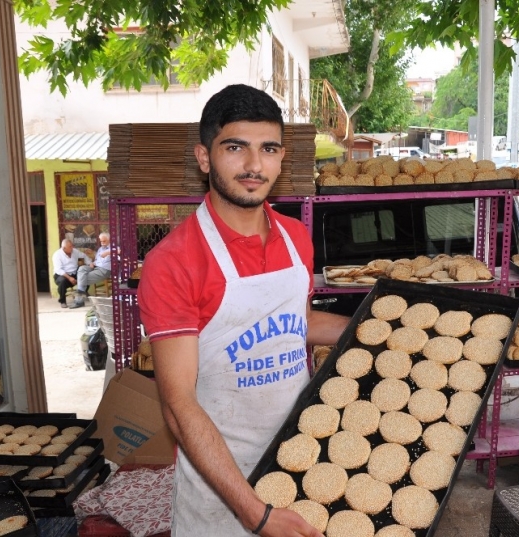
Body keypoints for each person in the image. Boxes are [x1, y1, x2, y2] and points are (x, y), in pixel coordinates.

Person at [137, 84, 349, 537]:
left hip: (301, 463)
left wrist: (374, 327)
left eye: (268, 149)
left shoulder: (296, 238)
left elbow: (296, 324)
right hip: (222, 494)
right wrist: (256, 513)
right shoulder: (173, 262)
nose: (254, 165)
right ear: (204, 156)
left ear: (281, 157)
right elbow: (178, 406)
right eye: (236, 147)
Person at [70, 232, 113, 308]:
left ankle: (79, 301)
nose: (102, 243)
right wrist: (93, 263)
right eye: (101, 241)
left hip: (104, 270)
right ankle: (80, 299)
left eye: (104, 241)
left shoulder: (113, 247)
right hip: (96, 266)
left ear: (109, 240)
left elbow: (120, 252)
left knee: (82, 279)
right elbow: (98, 260)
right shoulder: (100, 249)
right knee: (81, 268)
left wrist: (108, 252)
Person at [52, 238, 87, 308]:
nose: (72, 248)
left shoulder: (75, 251)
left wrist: (81, 266)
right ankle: (62, 301)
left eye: (72, 246)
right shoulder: (57, 255)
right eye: (70, 247)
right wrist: (69, 278)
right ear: (64, 248)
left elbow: (83, 257)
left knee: (85, 276)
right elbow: (59, 270)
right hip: (62, 275)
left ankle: (80, 296)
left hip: (74, 273)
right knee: (62, 282)